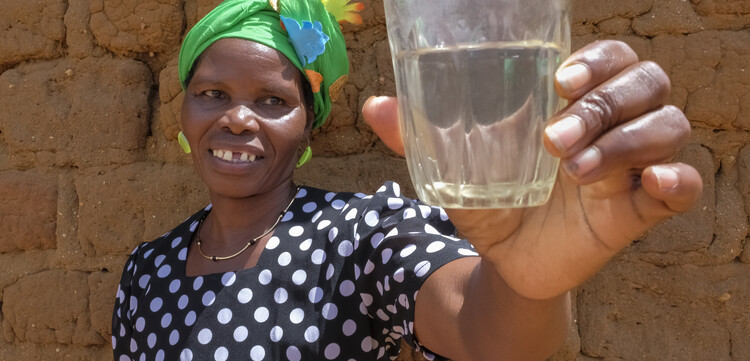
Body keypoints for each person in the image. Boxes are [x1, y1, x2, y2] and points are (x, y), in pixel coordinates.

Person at [111, 0, 703, 360]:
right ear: (184, 112)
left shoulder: (360, 236)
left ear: (309, 126)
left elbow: (485, 337)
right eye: (212, 93)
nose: (237, 118)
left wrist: (524, 282)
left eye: (272, 100)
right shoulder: (145, 272)